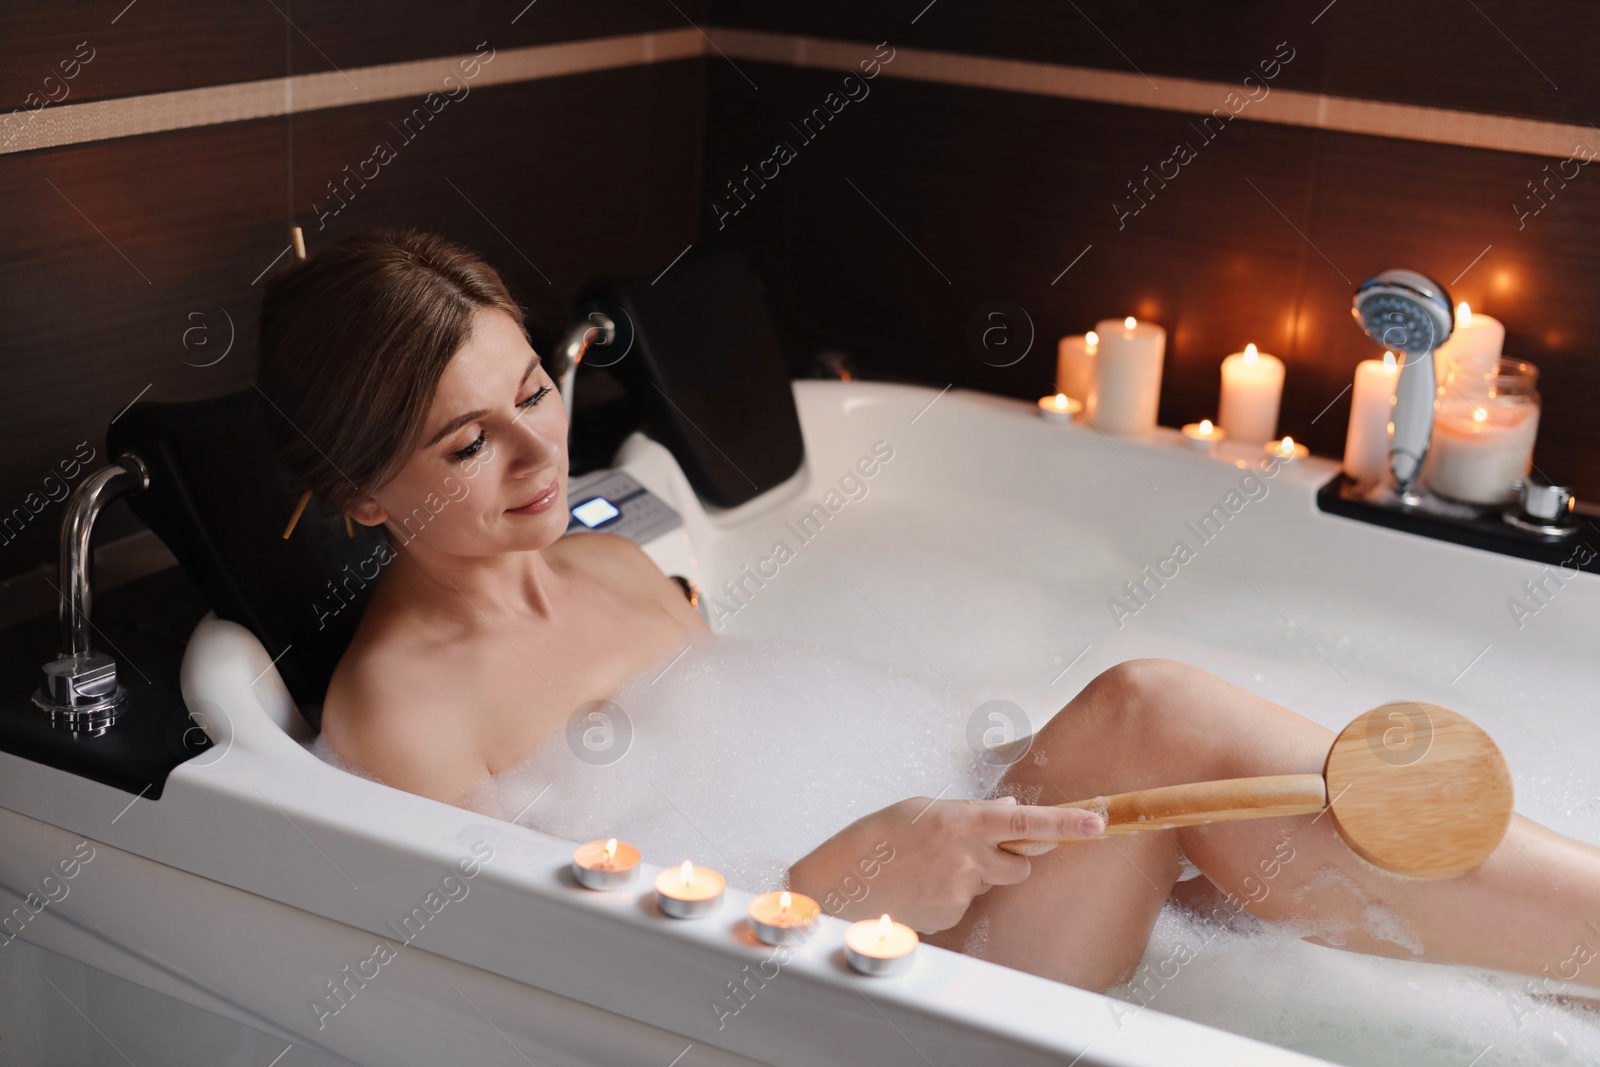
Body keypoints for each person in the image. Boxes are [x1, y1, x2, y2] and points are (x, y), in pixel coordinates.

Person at [258, 227, 1600, 997]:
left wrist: (945, 824)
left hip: (924, 902)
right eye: (464, 447)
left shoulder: (607, 563)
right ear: (358, 492)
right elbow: (563, 992)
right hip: (829, 1005)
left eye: (535, 396)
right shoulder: (402, 717)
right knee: (1147, 715)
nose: (543, 459)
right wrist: (851, 878)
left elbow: (738, 749)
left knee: (1177, 747)